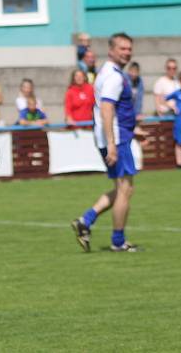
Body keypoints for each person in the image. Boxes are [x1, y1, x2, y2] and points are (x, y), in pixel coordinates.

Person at [72, 33, 140, 253]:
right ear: (111, 50)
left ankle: (86, 220)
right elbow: (107, 108)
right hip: (116, 139)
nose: (127, 52)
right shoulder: (114, 76)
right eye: (122, 48)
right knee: (125, 189)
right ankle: (118, 241)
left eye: (129, 49)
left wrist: (133, 129)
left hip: (115, 135)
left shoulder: (107, 73)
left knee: (120, 188)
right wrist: (112, 143)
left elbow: (112, 109)